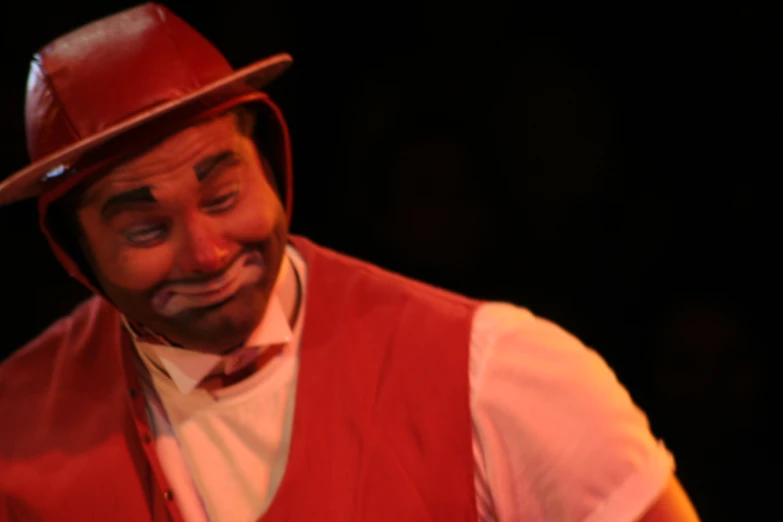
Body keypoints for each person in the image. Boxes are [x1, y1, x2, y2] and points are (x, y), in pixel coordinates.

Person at [0, 3, 700, 522]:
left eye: (223, 192)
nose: (208, 254)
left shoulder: (494, 369)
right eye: (147, 229)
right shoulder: (13, 431)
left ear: (271, 166)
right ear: (77, 255)